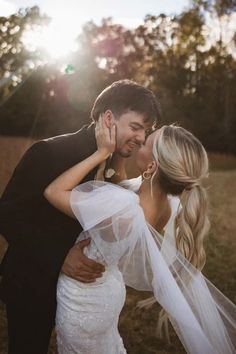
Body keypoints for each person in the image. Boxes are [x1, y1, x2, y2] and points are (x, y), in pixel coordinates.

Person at [44, 119, 236, 353]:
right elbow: (125, 184)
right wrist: (119, 155)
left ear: (152, 167)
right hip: (107, 289)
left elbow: (54, 192)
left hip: (84, 300)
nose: (142, 140)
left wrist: (100, 153)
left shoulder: (122, 209)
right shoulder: (167, 204)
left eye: (148, 142)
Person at [0, 79, 161, 354]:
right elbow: (7, 214)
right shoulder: (50, 152)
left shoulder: (115, 162)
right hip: (34, 282)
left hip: (84, 297)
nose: (142, 138)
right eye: (136, 127)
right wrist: (60, 255)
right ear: (109, 118)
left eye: (146, 131)